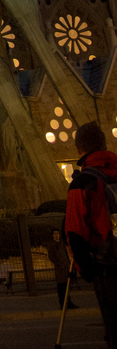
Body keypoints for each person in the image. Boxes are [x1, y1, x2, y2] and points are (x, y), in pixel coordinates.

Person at [66, 120, 117, 343]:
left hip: (108, 266)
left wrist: (87, 270)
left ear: (79, 149)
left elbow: (75, 232)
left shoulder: (83, 183)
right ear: (104, 144)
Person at [46, 228, 77, 310]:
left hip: (65, 267)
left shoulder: (62, 243)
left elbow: (66, 254)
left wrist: (68, 263)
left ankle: (68, 302)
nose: (56, 235)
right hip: (60, 268)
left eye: (57, 233)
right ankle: (63, 303)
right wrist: (58, 264)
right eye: (54, 234)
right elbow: (51, 256)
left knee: (67, 286)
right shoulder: (52, 245)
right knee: (61, 287)